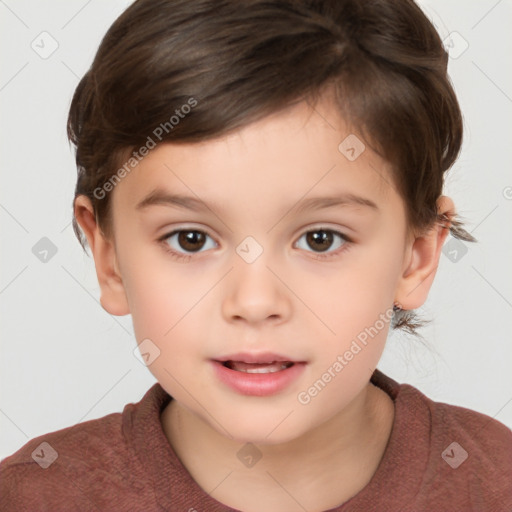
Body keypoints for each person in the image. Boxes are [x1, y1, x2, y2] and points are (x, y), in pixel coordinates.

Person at [1, 0, 511, 510]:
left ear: (416, 257)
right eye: (191, 239)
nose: (254, 301)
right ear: (108, 258)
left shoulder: (494, 483)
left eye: (320, 239)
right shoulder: (33, 496)